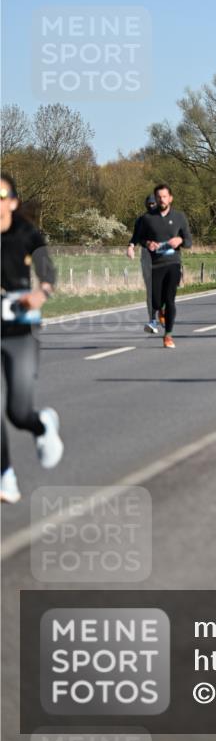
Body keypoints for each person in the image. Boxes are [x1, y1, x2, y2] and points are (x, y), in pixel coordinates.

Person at [1, 174, 63, 503]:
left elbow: (47, 271)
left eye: (1, 196)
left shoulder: (26, 233)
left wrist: (42, 293)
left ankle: (41, 425)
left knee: (17, 413)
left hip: (19, 331)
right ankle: (5, 476)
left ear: (13, 202)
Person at [136, 183, 192, 347]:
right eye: (159, 197)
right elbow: (139, 238)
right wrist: (148, 243)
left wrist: (179, 240)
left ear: (170, 198)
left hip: (173, 263)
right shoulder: (147, 219)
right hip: (155, 265)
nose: (162, 200)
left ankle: (168, 335)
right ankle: (160, 310)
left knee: (170, 299)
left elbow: (188, 241)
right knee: (156, 301)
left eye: (164, 196)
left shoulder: (179, 217)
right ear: (156, 198)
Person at [127, 194, 160, 333]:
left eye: (153, 204)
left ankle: (163, 312)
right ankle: (152, 320)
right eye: (149, 204)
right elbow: (136, 236)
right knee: (150, 290)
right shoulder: (141, 220)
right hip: (147, 256)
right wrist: (131, 247)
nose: (151, 206)